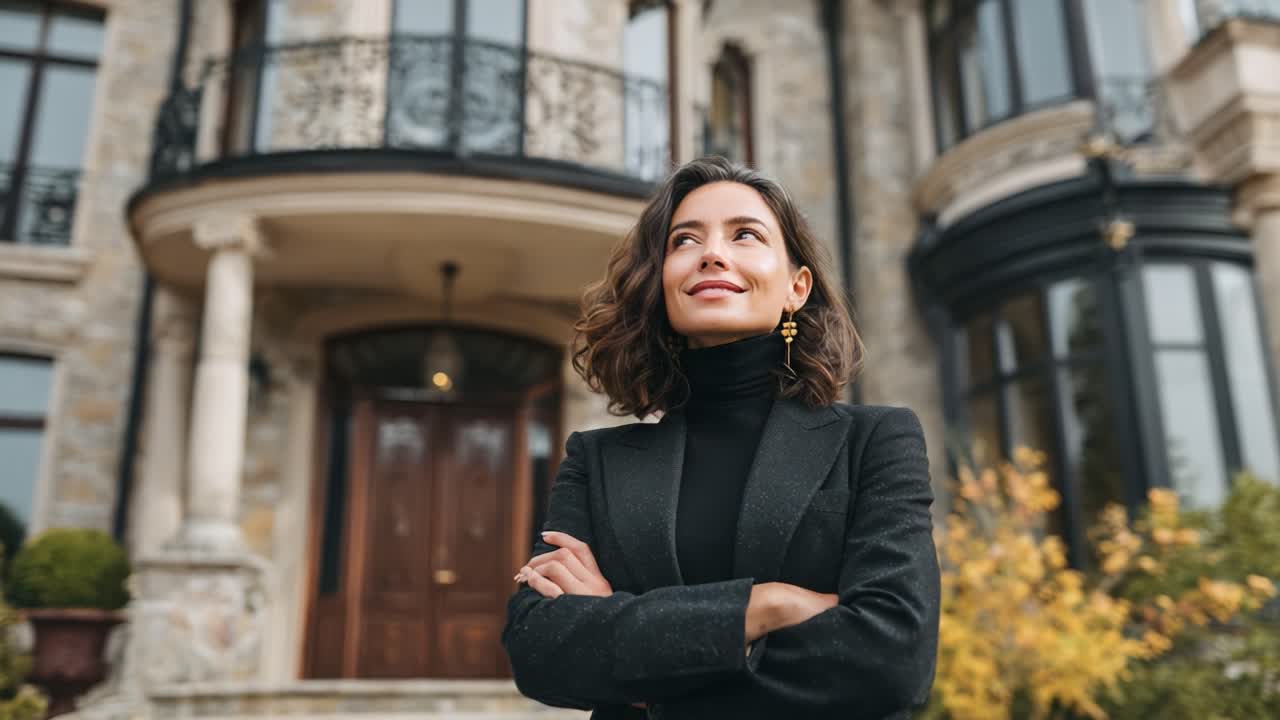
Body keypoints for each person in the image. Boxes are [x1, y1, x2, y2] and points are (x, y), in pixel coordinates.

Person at [501, 156, 939, 719]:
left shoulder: (875, 441)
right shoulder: (597, 460)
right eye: (685, 240)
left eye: (745, 234)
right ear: (662, 283)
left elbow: (892, 656)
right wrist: (766, 605)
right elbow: (539, 651)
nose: (712, 253)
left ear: (796, 287)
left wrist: (633, 652)